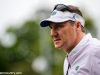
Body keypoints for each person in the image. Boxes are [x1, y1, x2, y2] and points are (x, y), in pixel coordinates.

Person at [40, 4, 100, 75]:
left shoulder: (96, 50)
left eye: (59, 26)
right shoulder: (68, 60)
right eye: (51, 27)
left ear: (77, 26)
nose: (52, 34)